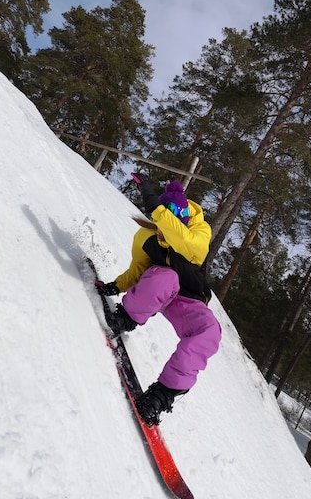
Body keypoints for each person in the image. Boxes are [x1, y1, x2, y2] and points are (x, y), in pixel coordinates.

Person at [95, 174, 222, 426]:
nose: (164, 231)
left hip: (188, 300)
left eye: (172, 217)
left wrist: (157, 210)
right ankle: (125, 318)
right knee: (166, 277)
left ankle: (162, 395)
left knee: (210, 331)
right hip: (160, 287)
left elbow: (190, 247)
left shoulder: (199, 230)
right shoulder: (146, 236)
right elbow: (137, 271)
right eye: (162, 220)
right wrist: (114, 286)